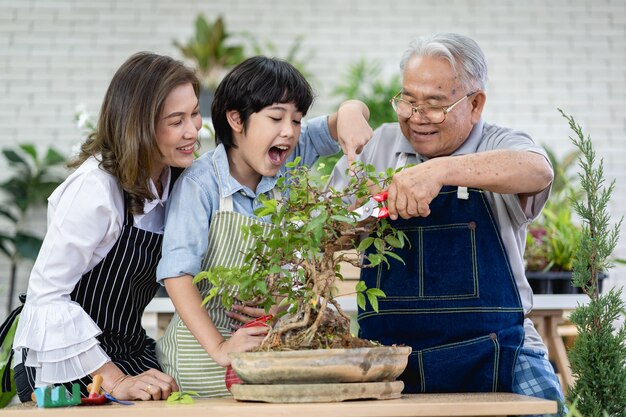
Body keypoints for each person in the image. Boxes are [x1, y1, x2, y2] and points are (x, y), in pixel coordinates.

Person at [327, 33, 565, 414]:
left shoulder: (499, 143)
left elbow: (537, 169)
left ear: (475, 104)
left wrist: (440, 171)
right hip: (389, 361)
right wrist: (363, 206)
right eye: (407, 100)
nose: (416, 117)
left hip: (497, 352)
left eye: (434, 105)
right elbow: (327, 227)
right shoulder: (378, 146)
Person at [155, 56, 372, 397]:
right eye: (275, 117)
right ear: (236, 119)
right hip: (201, 366)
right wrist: (220, 349)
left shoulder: (289, 159)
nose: (289, 130)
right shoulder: (201, 185)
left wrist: (351, 111)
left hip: (265, 358)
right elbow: (177, 275)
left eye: (297, 120)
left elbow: (350, 114)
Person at [6, 51, 201, 402]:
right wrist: (114, 381)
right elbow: (46, 297)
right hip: (68, 364)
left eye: (195, 113)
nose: (193, 131)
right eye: (176, 121)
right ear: (139, 125)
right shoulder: (95, 188)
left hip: (128, 350)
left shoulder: (175, 179)